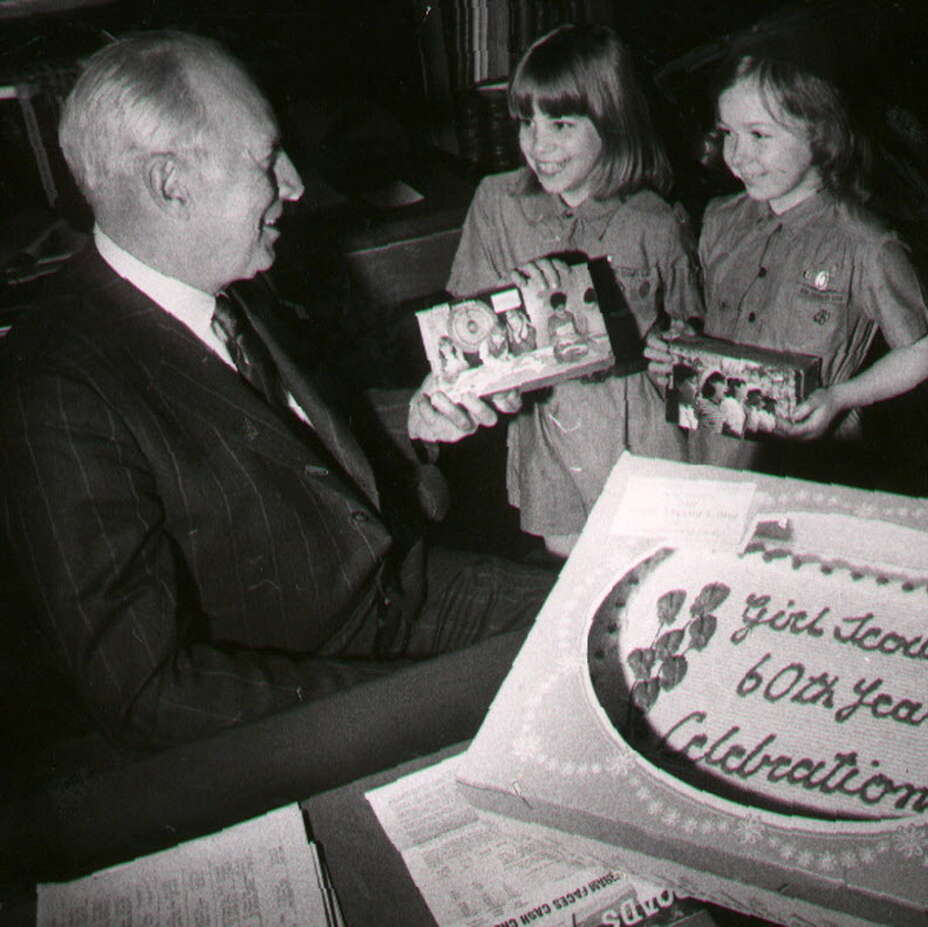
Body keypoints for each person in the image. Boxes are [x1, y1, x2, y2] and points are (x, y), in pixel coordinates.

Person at [0, 31, 553, 749]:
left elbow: (300, 428)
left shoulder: (232, 274)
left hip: (404, 596)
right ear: (173, 186)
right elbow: (147, 689)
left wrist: (447, 385)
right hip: (300, 693)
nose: (295, 183)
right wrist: (414, 700)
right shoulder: (57, 388)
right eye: (266, 160)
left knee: (612, 622)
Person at [447, 24, 702, 557]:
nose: (538, 146)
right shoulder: (497, 203)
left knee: (654, 566)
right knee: (574, 567)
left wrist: (674, 349)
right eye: (526, 122)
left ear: (611, 121)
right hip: (550, 439)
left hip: (640, 434)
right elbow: (466, 332)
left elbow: (692, 339)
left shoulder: (655, 220)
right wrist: (516, 309)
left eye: (560, 123)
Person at [647, 39, 928, 474]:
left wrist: (841, 397)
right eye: (728, 134)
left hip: (812, 463)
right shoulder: (719, 219)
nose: (738, 156)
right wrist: (673, 346)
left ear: (819, 133)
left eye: (759, 135)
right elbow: (698, 321)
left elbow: (924, 353)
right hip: (715, 451)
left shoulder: (865, 243)